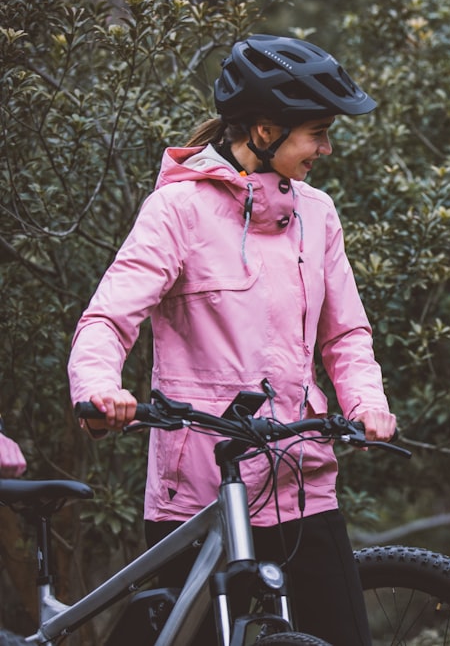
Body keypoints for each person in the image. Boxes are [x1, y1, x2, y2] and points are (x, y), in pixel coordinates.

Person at [67, 34, 395, 645]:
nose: (325, 147)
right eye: (317, 132)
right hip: (198, 496)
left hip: (303, 486)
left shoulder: (319, 214)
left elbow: (346, 334)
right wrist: (97, 389)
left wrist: (366, 403)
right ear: (265, 130)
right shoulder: (177, 212)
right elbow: (108, 321)